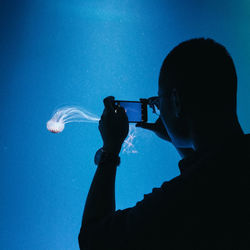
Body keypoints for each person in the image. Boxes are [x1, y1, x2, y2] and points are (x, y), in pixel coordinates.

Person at [78, 38, 250, 249]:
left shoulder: (182, 201)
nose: (158, 108)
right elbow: (218, 167)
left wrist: (110, 152)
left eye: (160, 100)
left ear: (177, 101)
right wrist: (177, 137)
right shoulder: (232, 173)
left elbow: (93, 240)